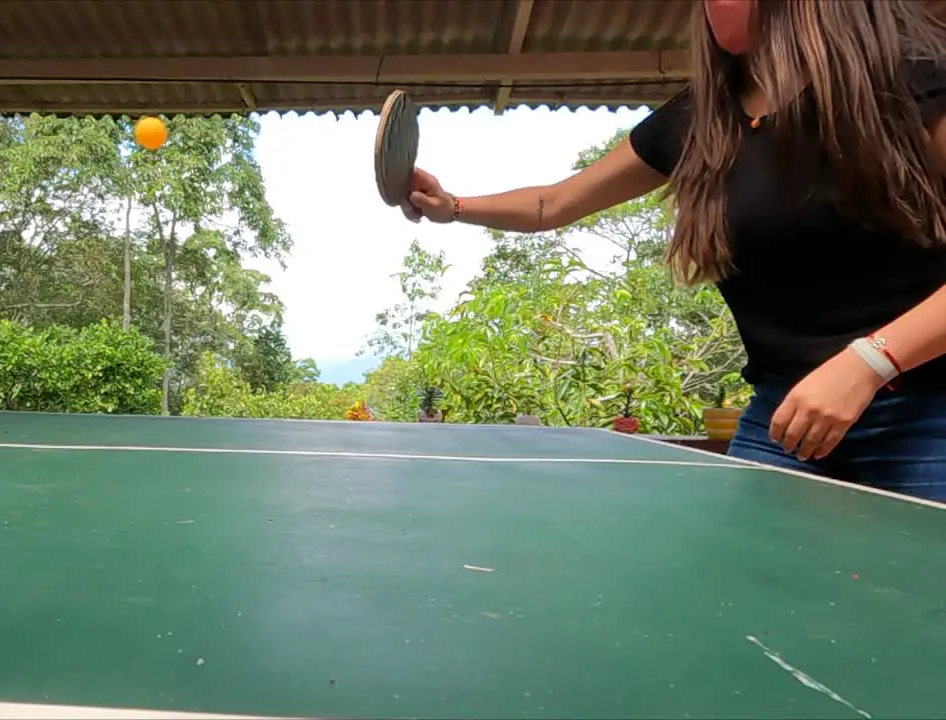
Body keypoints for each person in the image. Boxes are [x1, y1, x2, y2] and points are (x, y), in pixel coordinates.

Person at [401, 0, 946, 501]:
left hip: (926, 412)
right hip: (782, 415)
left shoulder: (910, 80)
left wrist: (871, 361)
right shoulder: (700, 119)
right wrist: (453, 205)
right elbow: (553, 203)